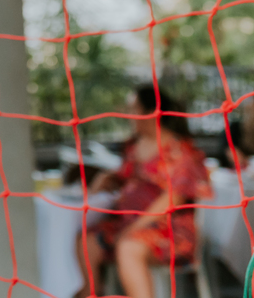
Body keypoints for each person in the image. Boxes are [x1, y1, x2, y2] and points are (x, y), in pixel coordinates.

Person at [76, 86, 212, 298]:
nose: (127, 115)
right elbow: (125, 180)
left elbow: (173, 197)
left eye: (133, 109)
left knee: (128, 247)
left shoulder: (180, 151)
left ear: (150, 113)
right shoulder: (133, 147)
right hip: (128, 225)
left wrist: (135, 227)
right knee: (87, 241)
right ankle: (91, 293)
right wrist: (105, 179)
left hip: (168, 231)